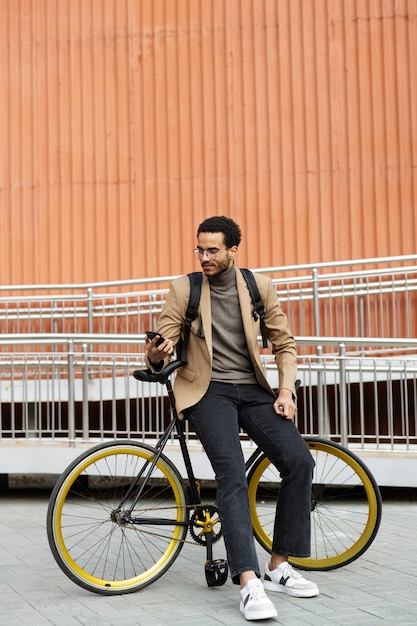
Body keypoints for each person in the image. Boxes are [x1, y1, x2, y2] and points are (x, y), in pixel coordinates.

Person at [145, 216, 319, 621]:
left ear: (233, 251)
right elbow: (160, 352)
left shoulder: (260, 287)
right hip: (207, 390)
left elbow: (284, 343)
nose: (204, 257)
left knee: (299, 462)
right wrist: (158, 351)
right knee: (231, 473)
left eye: (212, 250)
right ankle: (248, 582)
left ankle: (278, 566)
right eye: (199, 249)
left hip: (254, 390)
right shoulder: (183, 288)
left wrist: (286, 390)